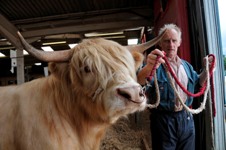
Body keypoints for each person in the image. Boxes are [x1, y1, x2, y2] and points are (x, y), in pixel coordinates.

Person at [137, 24, 215, 150]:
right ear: (160, 44)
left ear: (179, 42)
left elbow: (196, 85)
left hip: (186, 118)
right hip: (163, 120)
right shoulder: (153, 66)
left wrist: (207, 70)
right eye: (167, 41)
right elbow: (140, 83)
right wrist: (148, 68)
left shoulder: (187, 66)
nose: (171, 45)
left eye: (174, 41)